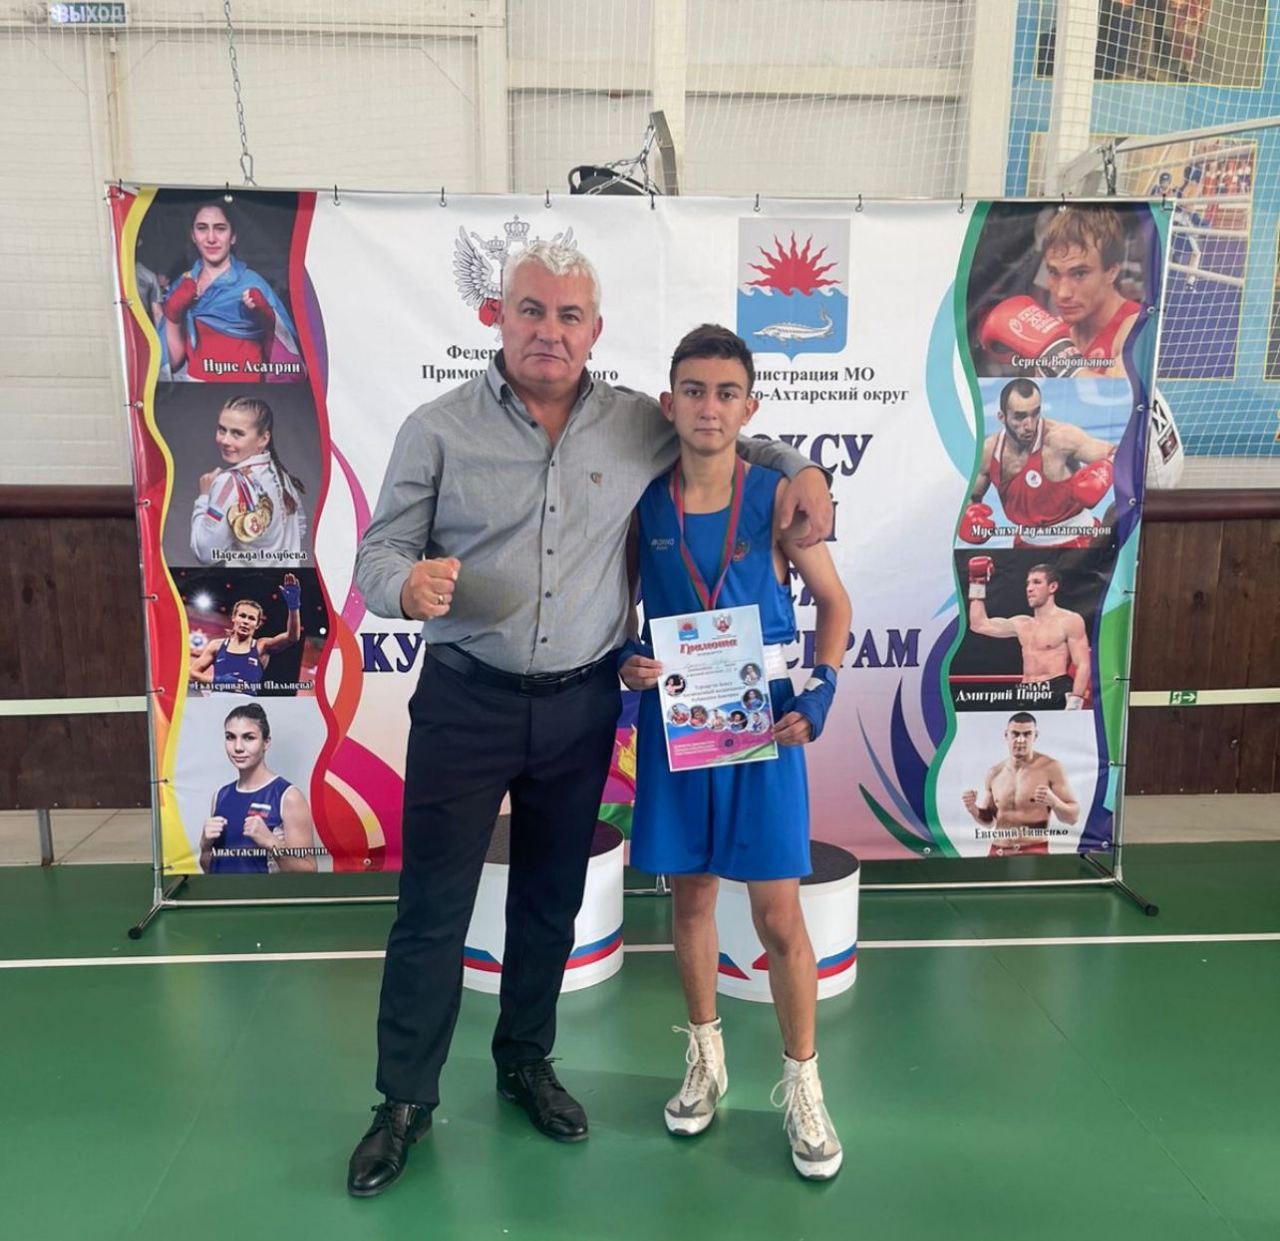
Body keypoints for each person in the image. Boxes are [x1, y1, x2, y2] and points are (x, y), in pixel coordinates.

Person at [347, 242, 832, 1197]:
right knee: (433, 911)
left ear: (595, 331)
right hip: (466, 699)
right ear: (498, 318)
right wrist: (403, 586)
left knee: (548, 902)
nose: (549, 331)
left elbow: (725, 431)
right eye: (531, 310)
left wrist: (801, 465)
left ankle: (525, 1061)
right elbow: (378, 553)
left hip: (579, 704)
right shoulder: (435, 429)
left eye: (569, 316)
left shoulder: (634, 421)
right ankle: (403, 1100)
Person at [620, 324, 852, 1181]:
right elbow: (619, 615)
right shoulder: (644, 504)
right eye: (693, 390)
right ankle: (706, 1059)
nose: (709, 407)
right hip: (680, 728)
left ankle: (804, 1086)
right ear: (668, 402)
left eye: (725, 393)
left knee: (779, 917)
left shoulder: (778, 498)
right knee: (690, 902)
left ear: (750, 406)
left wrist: (821, 689)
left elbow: (835, 604)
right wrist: (627, 659)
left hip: (763, 730)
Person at [977, 207, 1141, 380]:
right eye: (1054, 273)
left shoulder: (1139, 328)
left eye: (1079, 274)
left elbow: (1122, 394)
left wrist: (1057, 358)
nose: (1063, 293)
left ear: (1111, 272)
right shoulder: (1055, 333)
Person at [960, 379, 1117, 549]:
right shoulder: (989, 452)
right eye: (1020, 417)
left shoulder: (1061, 438)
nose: (1029, 425)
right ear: (1002, 417)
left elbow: (1120, 453)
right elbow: (970, 497)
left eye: (1035, 414)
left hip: (1079, 540)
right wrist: (966, 516)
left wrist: (1105, 471)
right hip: (1025, 545)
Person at [161, 201, 302, 383]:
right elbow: (172, 362)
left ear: (233, 236)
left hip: (246, 390)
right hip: (195, 389)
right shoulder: (183, 283)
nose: (211, 238)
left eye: (220, 229)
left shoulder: (252, 282)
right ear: (193, 236)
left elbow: (286, 351)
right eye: (202, 228)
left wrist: (267, 315)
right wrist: (173, 315)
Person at [198, 702, 318, 873]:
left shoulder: (287, 797)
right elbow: (211, 869)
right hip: (223, 891)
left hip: (263, 891)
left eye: (249, 737)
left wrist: (272, 842)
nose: (238, 747)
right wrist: (205, 847)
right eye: (230, 737)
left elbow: (309, 871)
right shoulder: (220, 795)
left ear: (266, 743)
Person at [191, 396, 308, 565]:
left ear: (263, 439)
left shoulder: (229, 483)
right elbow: (300, 528)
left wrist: (204, 498)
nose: (225, 440)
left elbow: (205, 553)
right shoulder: (282, 476)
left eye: (237, 433)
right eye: (222, 430)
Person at [966, 559, 1091, 709]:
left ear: (1052, 587)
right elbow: (979, 624)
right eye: (1028, 583)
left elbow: (1083, 664)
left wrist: (1075, 703)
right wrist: (977, 584)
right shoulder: (1022, 623)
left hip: (1056, 690)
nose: (1030, 588)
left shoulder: (1069, 620)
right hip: (1025, 692)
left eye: (1037, 582)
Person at [960, 712, 1080, 855]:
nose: (1021, 740)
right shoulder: (994, 773)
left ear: (1035, 736)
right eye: (1015, 734)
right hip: (998, 850)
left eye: (1027, 734)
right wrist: (973, 809)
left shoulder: (1051, 768)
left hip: (1034, 850)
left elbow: (1073, 818)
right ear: (1006, 735)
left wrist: (1054, 802)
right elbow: (989, 821)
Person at [188, 575, 303, 694]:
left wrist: (293, 606)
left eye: (251, 618)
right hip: (217, 702)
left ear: (257, 625)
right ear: (234, 618)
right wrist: (221, 681)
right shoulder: (216, 645)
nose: (246, 621)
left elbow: (292, 637)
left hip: (246, 704)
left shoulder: (261, 646)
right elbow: (191, 675)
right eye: (242, 616)